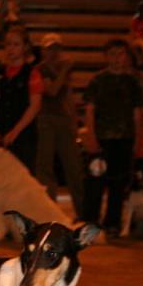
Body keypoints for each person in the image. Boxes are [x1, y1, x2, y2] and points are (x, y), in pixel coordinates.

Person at [81, 39, 143, 236]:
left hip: (124, 139)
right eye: (112, 54)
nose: (116, 58)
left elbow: (138, 115)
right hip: (101, 139)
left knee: (118, 184)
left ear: (127, 56)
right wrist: (91, 136)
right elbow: (89, 111)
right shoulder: (98, 80)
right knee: (95, 182)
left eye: (120, 54)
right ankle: (90, 221)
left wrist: (138, 141)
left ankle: (112, 222)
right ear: (105, 56)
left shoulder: (134, 82)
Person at [35, 32, 84, 216]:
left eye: (56, 49)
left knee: (73, 166)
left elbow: (68, 96)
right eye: (49, 49)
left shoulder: (62, 70)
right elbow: (52, 91)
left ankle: (82, 210)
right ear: (43, 51)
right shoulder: (40, 69)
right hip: (45, 119)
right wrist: (64, 70)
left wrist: (74, 121)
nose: (53, 53)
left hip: (63, 119)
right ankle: (49, 211)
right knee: (45, 168)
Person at [0, 24, 42, 174]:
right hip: (0, 133)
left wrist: (16, 131)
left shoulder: (32, 73)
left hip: (24, 137)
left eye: (16, 44)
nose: (11, 49)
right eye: (8, 44)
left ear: (25, 47)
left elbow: (35, 106)